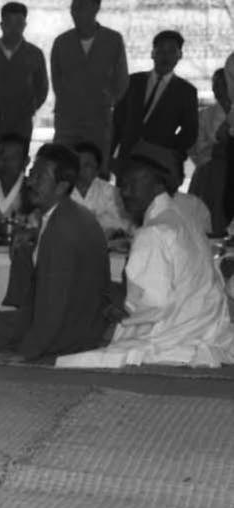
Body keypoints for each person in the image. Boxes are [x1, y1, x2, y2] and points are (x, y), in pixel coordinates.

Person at [56, 154, 234, 369]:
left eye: (133, 184)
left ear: (158, 185)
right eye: (121, 186)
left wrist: (119, 313)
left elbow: (153, 306)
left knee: (76, 351)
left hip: (174, 332)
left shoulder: (153, 232)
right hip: (208, 328)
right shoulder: (185, 218)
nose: (126, 192)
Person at [0, 143, 122, 361]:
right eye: (31, 175)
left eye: (40, 177)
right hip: (87, 321)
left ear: (61, 186)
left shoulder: (61, 229)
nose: (30, 182)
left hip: (72, 332)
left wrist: (25, 353)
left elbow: (52, 302)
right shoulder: (71, 213)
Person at [50, 0, 128, 177]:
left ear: (95, 8)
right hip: (67, 123)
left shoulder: (113, 40)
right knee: (62, 172)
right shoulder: (62, 42)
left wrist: (106, 101)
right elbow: (57, 81)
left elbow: (122, 81)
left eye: (81, 6)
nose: (75, 11)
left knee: (96, 175)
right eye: (73, 6)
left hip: (98, 123)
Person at [0, 2, 48, 181]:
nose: (14, 29)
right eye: (9, 23)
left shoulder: (34, 55)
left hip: (20, 125)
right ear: (1, 25)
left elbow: (41, 88)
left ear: (25, 25)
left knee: (15, 174)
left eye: (19, 24)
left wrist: (27, 108)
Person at [111, 30, 199, 175]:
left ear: (179, 55)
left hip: (159, 161)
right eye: (161, 50)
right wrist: (108, 157)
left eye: (171, 51)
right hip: (127, 158)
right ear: (153, 53)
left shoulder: (186, 91)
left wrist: (170, 151)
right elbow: (117, 121)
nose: (166, 56)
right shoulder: (132, 82)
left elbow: (190, 132)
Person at [190, 69, 230, 235]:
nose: (218, 89)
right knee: (209, 225)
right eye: (215, 84)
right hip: (210, 175)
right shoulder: (204, 116)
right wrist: (216, 149)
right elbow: (195, 148)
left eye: (223, 84)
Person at [70, 140, 131, 238]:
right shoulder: (62, 190)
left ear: (97, 170)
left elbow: (125, 225)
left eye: (87, 165)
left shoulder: (111, 192)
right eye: (77, 164)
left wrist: (98, 222)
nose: (80, 169)